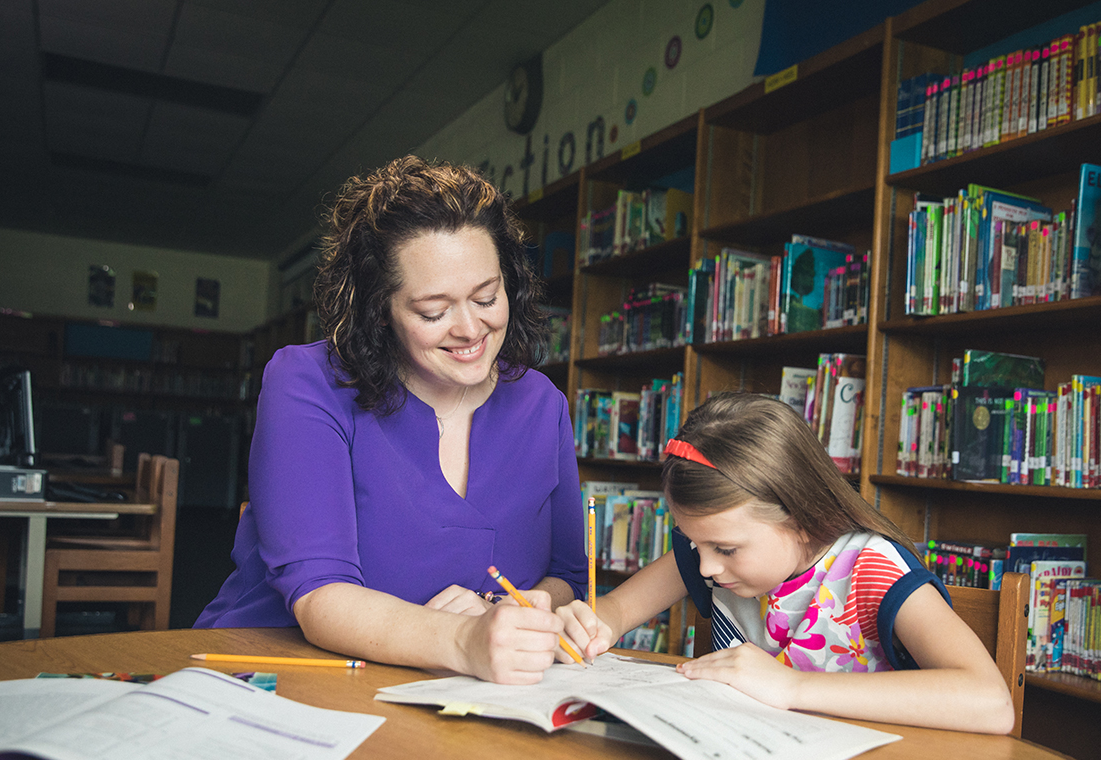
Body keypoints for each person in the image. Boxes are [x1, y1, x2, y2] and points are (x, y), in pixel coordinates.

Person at [197, 156, 584, 685]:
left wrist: (520, 610)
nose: (470, 328)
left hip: (452, 693)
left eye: (487, 297)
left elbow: (565, 577)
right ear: (379, 308)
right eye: (433, 311)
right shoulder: (306, 383)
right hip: (277, 675)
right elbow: (319, 595)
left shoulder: (542, 404)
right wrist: (461, 639)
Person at [556, 393, 1016, 734]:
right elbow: (614, 611)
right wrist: (594, 624)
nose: (706, 568)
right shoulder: (709, 555)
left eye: (727, 549)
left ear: (799, 518)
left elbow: (991, 702)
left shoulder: (870, 570)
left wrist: (792, 687)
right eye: (696, 545)